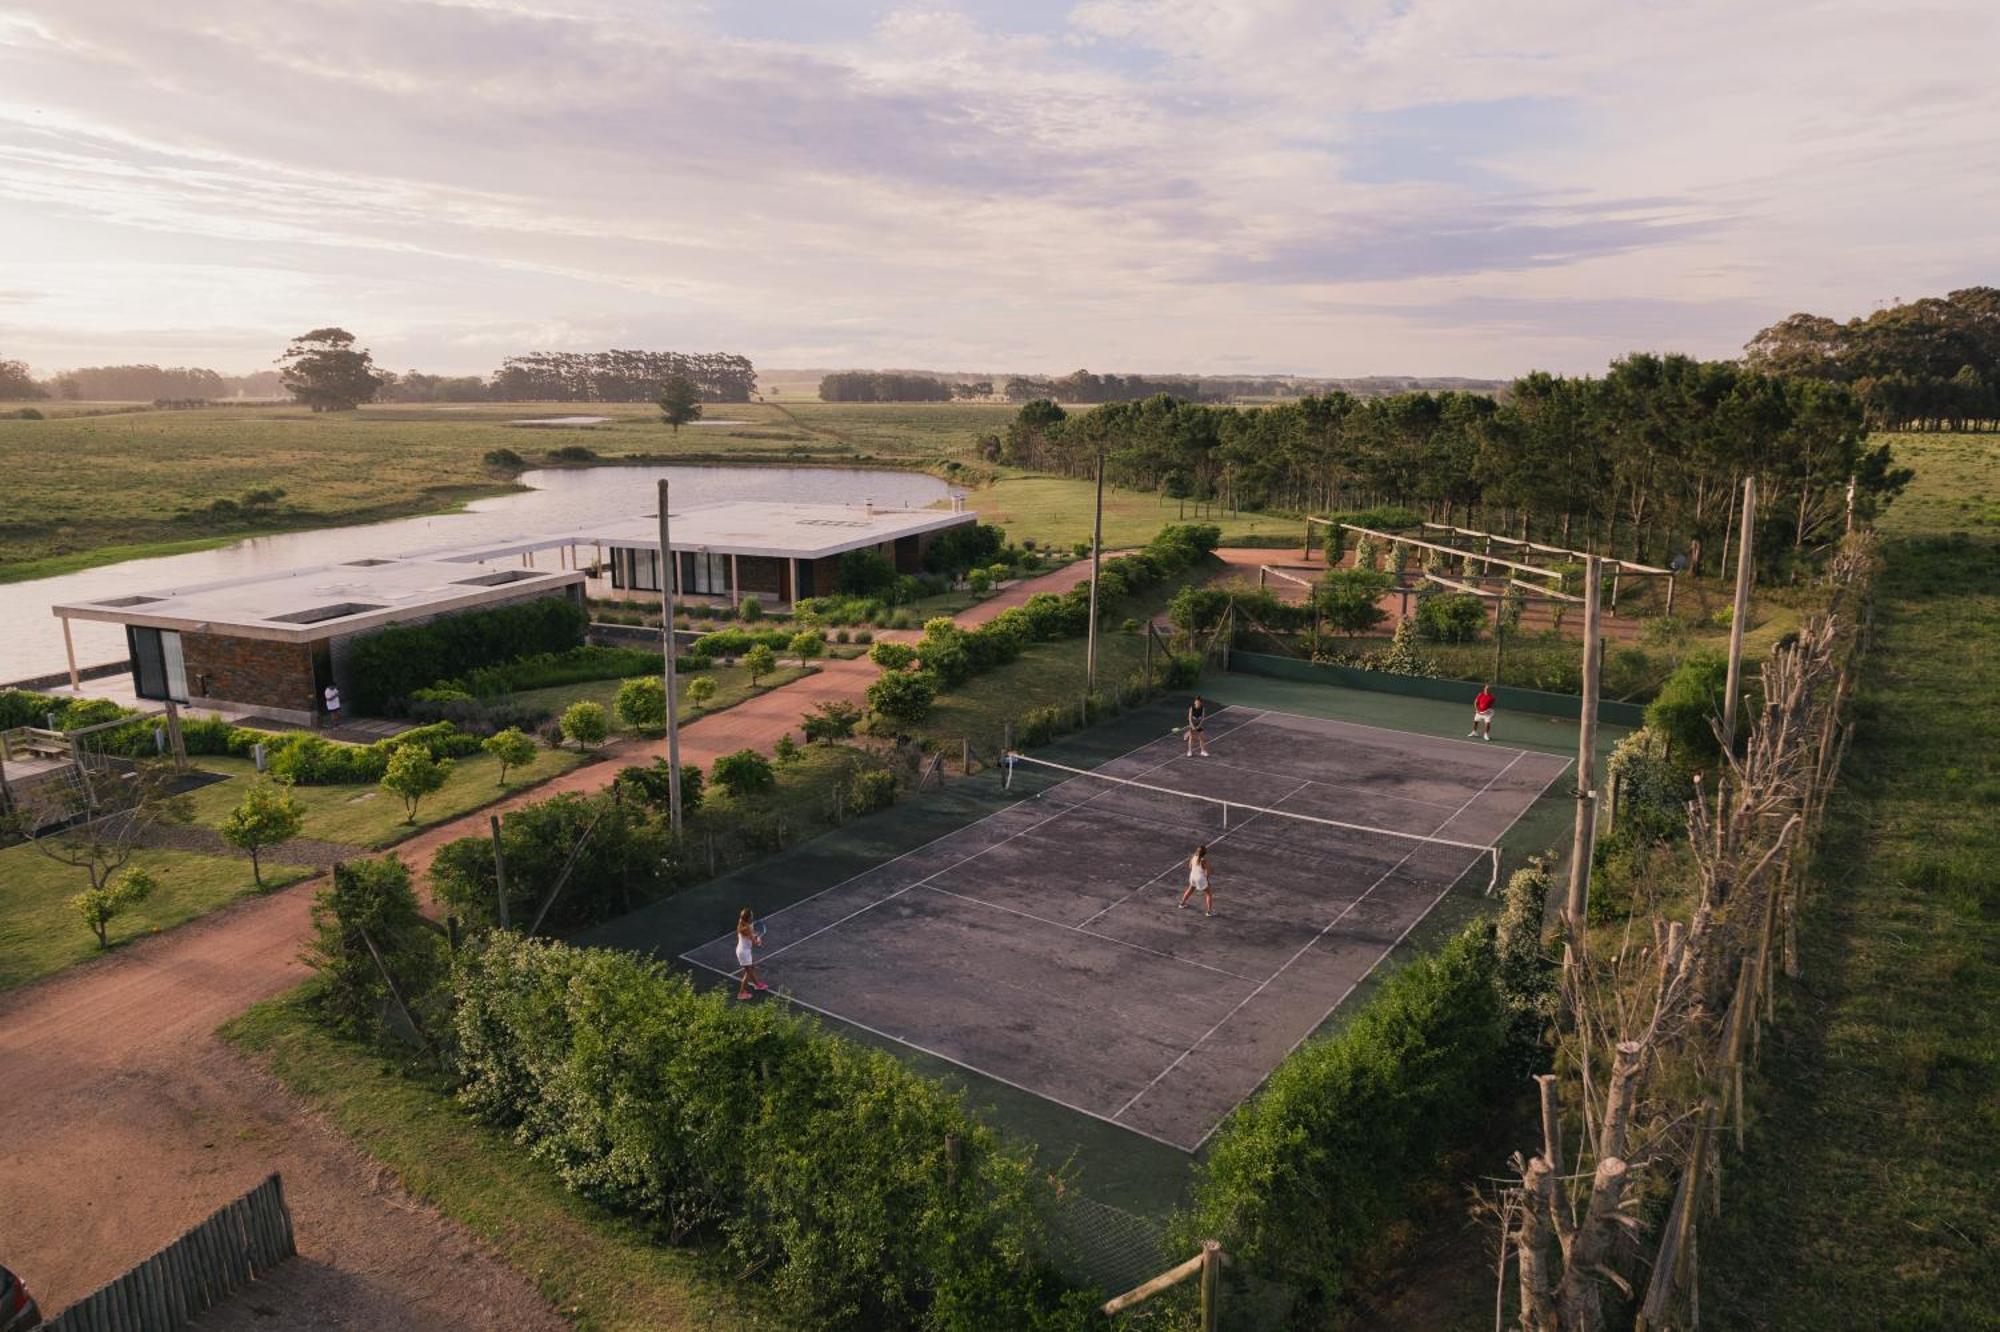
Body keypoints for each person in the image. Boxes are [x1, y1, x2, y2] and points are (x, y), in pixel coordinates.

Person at [734, 907, 767, 999]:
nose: (753, 915)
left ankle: (757, 985)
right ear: (748, 917)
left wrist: (755, 936)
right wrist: (759, 940)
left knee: (751, 969)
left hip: (744, 951)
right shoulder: (747, 928)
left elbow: (749, 936)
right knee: (749, 972)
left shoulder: (741, 923)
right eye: (751, 914)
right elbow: (755, 943)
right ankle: (741, 993)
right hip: (744, 953)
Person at [1179, 844, 1214, 916]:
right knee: (1208, 894)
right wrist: (1206, 880)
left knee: (1190, 889)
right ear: (1204, 853)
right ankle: (1209, 912)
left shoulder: (1193, 857)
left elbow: (1190, 866)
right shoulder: (1204, 860)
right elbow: (1208, 872)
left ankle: (1182, 903)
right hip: (1200, 878)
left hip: (1192, 876)